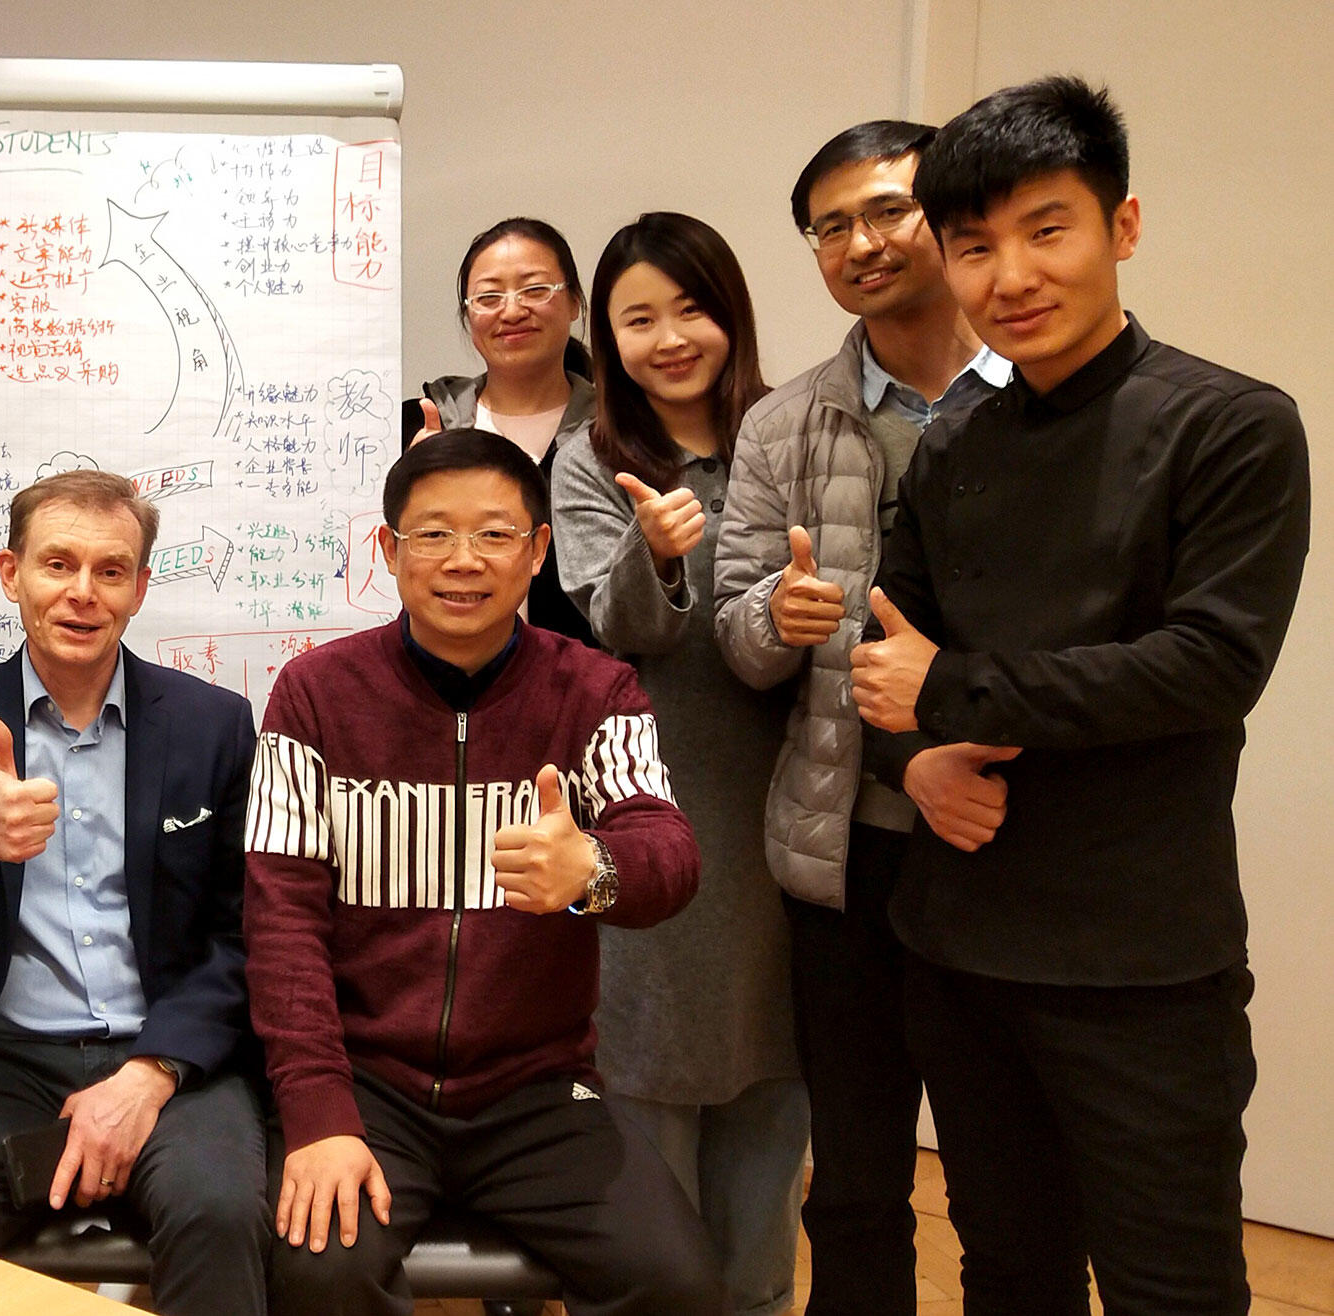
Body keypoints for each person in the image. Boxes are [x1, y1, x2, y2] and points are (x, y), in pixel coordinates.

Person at [853, 76, 1310, 1314]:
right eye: (975, 246)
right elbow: (885, 660)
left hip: (1140, 964)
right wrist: (917, 761)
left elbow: (1209, 663)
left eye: (1047, 228)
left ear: (1124, 224)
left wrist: (955, 692)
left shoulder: (1233, 424)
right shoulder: (955, 444)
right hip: (960, 942)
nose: (1011, 274)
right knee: (1009, 1269)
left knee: (1175, 1284)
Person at [247, 429, 723, 1316]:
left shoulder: (595, 689)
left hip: (537, 1092)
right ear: (388, 550)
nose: (463, 562)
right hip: (369, 1087)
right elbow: (281, 928)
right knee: (319, 1276)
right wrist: (318, 1115)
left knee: (678, 1284)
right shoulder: (313, 694)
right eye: (432, 534)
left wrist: (595, 866)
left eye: (495, 535)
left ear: (538, 550)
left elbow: (670, 854)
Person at [709, 120, 1010, 1316]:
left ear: (951, 213)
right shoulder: (787, 421)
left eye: (888, 209)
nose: (861, 242)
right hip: (842, 854)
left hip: (1006, 845)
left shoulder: (1040, 394)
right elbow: (734, 627)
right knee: (853, 1176)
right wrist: (771, 620)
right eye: (831, 226)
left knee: (1006, 1175)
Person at [0, 471, 268, 1316]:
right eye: (57, 564)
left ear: (141, 588)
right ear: (12, 575)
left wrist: (152, 1071)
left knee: (221, 1214)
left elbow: (246, 936)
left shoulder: (212, 724)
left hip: (170, 1056)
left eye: (111, 571)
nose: (82, 593)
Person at [547, 211, 803, 1316]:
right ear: (606, 337)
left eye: (689, 308)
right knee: (646, 1096)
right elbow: (615, 628)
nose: (668, 337)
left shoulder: (789, 437)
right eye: (637, 317)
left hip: (783, 816)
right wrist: (655, 554)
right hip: (652, 811)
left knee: (772, 1091)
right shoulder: (587, 458)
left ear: (731, 313)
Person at [403, 217, 598, 642]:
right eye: (489, 296)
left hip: (585, 688)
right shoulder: (416, 426)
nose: (512, 311)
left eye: (534, 290)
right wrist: (415, 485)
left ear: (575, 303)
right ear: (468, 314)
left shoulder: (620, 434)